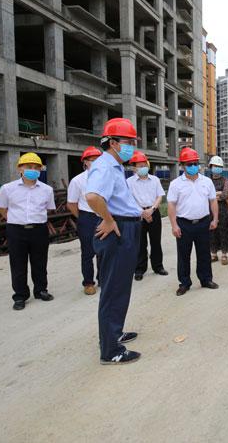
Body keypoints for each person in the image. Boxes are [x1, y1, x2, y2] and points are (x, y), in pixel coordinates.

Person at [85, 118, 143, 365]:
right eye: (128, 142)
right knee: (113, 290)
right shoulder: (105, 166)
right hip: (118, 230)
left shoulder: (115, 166)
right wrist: (108, 220)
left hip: (126, 227)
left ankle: (114, 332)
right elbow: (92, 196)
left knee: (121, 287)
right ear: (112, 142)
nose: (131, 146)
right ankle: (110, 350)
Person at [0, 152, 56, 310]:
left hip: (39, 229)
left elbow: (48, 209)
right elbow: (2, 208)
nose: (33, 170)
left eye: (36, 167)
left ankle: (41, 290)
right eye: (29, 166)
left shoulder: (47, 190)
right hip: (16, 230)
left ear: (41, 169)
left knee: (40, 262)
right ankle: (20, 295)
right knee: (18, 264)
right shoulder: (7, 189)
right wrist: (16, 219)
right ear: (20, 169)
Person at [167, 148, 220, 295]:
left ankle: (206, 279)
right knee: (183, 255)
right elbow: (171, 205)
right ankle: (184, 283)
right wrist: (174, 225)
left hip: (203, 223)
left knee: (204, 253)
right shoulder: (176, 184)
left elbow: (213, 201)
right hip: (184, 224)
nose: (193, 166)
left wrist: (215, 219)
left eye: (195, 163)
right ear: (182, 165)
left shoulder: (207, 182)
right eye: (189, 164)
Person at [126, 151, 168, 281]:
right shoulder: (129, 182)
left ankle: (158, 266)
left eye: (144, 165)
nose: (143, 167)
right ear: (134, 168)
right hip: (137, 215)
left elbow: (159, 196)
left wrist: (152, 209)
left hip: (154, 212)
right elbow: (129, 200)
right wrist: (142, 212)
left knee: (156, 242)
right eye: (139, 166)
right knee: (140, 243)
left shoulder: (155, 179)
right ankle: (140, 269)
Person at [67, 146, 102, 295]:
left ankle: (103, 278)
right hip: (87, 217)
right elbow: (71, 203)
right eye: (92, 160)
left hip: (105, 216)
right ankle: (88, 283)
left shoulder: (107, 178)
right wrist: (82, 218)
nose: (95, 162)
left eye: (98, 160)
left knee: (104, 250)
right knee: (88, 252)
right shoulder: (78, 181)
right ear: (85, 162)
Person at [205, 156, 228, 265]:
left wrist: (213, 195)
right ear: (211, 167)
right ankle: (213, 254)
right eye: (215, 166)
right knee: (212, 233)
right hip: (210, 211)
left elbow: (225, 195)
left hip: (223, 211)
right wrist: (217, 193)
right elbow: (204, 195)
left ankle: (224, 255)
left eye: (219, 166)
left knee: (223, 232)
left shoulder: (226, 181)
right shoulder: (207, 181)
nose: (217, 168)